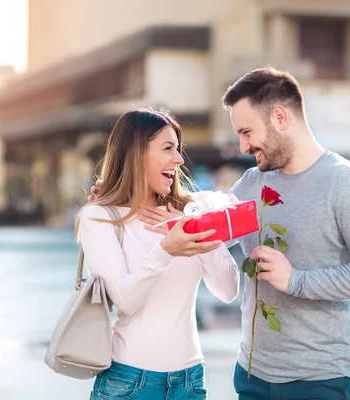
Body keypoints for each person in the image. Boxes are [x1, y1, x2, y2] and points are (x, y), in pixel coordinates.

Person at [124, 67, 350, 400]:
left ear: (280, 118)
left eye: (247, 131)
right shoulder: (252, 183)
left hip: (321, 381)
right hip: (253, 377)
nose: (242, 146)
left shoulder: (346, 184)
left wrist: (296, 280)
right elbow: (200, 221)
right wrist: (120, 193)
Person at [77, 107, 239, 400]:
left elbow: (228, 290)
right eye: (167, 149)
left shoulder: (186, 213)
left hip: (190, 381)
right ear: (136, 153)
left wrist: (198, 232)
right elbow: (125, 299)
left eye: (178, 149)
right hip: (129, 382)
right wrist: (166, 250)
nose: (178, 159)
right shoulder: (100, 217)